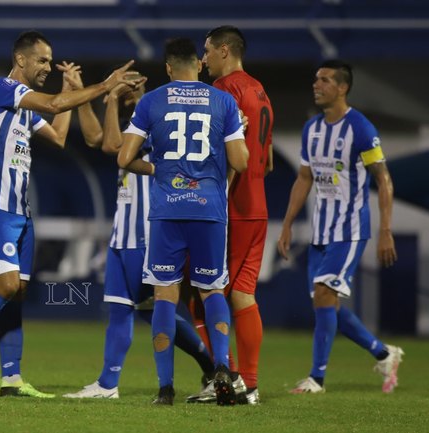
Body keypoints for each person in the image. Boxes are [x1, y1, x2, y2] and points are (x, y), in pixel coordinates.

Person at [0, 30, 140, 398]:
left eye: (51, 62)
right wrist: (102, 86)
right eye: (42, 60)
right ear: (21, 60)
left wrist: (72, 86)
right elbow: (52, 105)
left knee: (16, 292)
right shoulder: (1, 90)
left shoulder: (24, 109)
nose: (47, 67)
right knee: (3, 286)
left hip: (21, 212)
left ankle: (11, 379)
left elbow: (60, 135)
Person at [63, 69, 216, 399]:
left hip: (146, 229)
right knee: (142, 309)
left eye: (131, 88)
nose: (126, 92)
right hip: (123, 232)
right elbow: (95, 138)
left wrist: (113, 97)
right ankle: (209, 366)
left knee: (139, 310)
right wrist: (83, 100)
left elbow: (112, 143)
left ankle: (108, 384)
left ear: (142, 89)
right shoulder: (133, 119)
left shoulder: (155, 120)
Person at [118, 37, 249, 405]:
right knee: (211, 291)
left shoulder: (150, 101)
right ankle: (222, 367)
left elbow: (124, 158)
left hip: (168, 210)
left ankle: (165, 389)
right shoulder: (224, 102)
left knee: (164, 295)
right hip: (208, 209)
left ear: (168, 68)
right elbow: (240, 162)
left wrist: (156, 168)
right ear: (199, 64)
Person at [277, 59, 404, 394]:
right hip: (321, 230)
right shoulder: (312, 129)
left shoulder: (360, 128)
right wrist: (289, 223)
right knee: (326, 304)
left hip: (349, 229)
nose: (316, 85)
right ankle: (383, 352)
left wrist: (386, 230)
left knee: (323, 296)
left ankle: (316, 378)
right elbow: (304, 178)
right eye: (316, 79)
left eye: (325, 80)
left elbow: (384, 179)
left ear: (343, 87)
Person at [186, 25, 274, 405]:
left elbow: (227, 156)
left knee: (202, 296)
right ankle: (249, 385)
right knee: (242, 295)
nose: (203, 60)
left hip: (230, 209)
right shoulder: (260, 90)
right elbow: (265, 161)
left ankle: (226, 377)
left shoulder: (223, 92)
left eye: (206, 51)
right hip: (258, 206)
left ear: (224, 50)